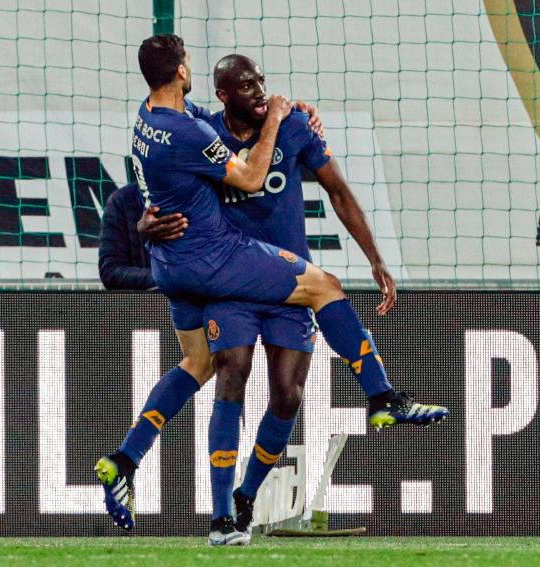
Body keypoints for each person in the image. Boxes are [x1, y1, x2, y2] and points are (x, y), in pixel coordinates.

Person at [96, 34, 448, 545]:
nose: (259, 90)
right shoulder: (201, 131)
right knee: (310, 299)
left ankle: (128, 461)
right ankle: (382, 396)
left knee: (235, 377)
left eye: (260, 82)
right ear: (197, 80)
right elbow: (252, 176)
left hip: (190, 268)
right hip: (225, 268)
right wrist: (277, 119)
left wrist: (148, 225)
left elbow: (337, 190)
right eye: (244, 84)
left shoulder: (155, 114)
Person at [97, 182, 157, 290]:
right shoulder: (122, 200)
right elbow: (110, 271)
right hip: (146, 303)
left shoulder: (195, 198)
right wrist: (164, 279)